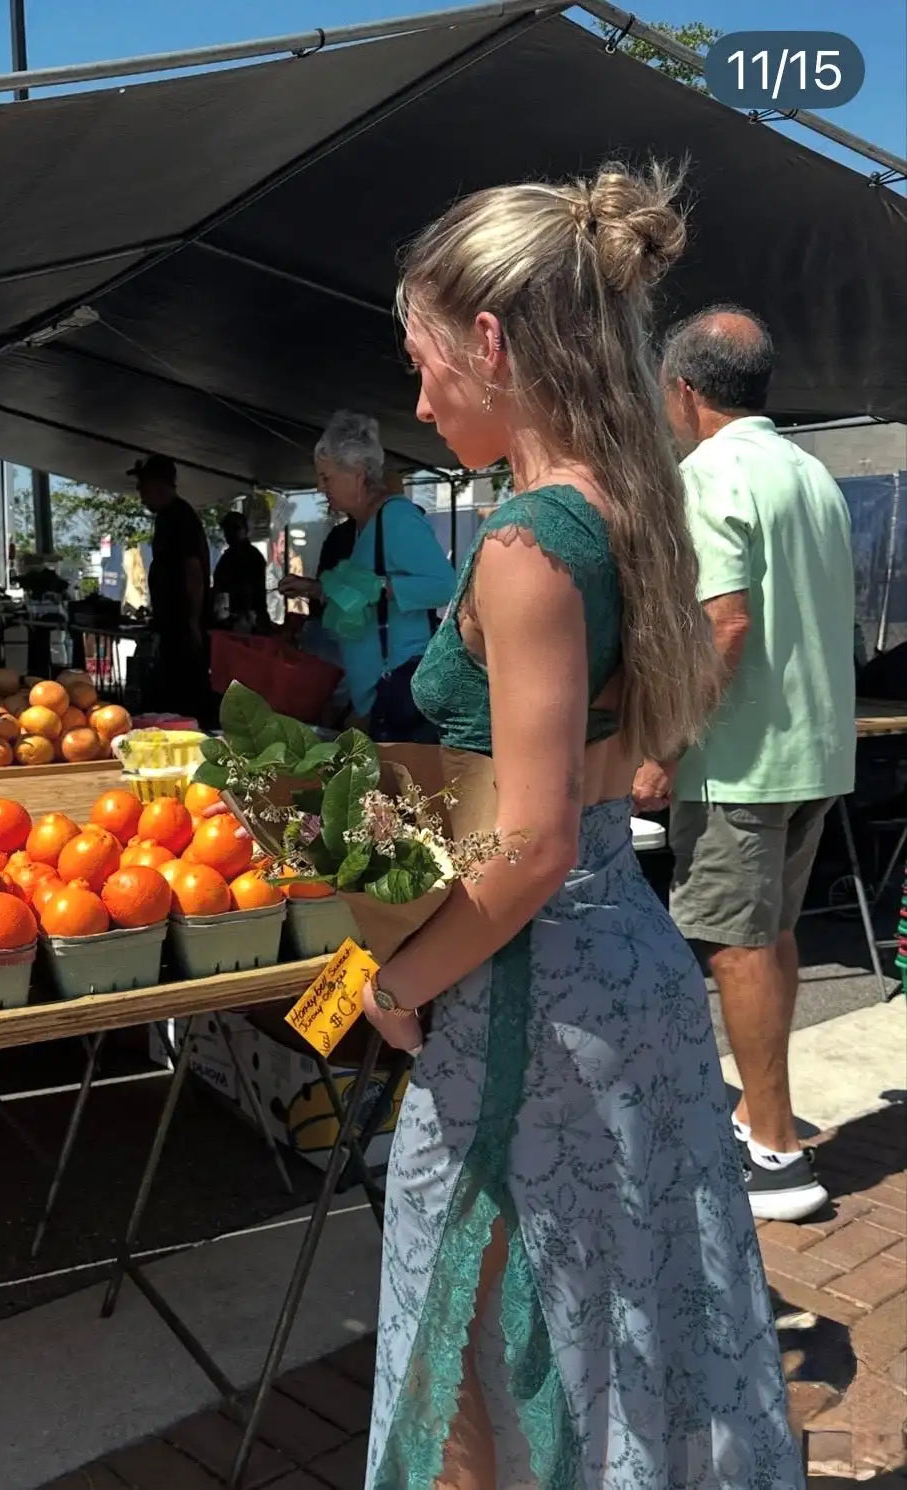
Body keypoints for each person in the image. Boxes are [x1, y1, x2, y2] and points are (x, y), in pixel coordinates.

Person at [358, 165, 801, 1489]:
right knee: (622, 1329)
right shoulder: (636, 501)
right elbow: (622, 761)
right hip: (620, 975)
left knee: (475, 1339)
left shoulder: (524, 544)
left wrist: (395, 973)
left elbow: (535, 838)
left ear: (489, 344)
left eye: (425, 361)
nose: (419, 397)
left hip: (526, 998)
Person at [634, 307, 856, 1223]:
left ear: (685, 391)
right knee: (768, 934)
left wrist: (662, 747)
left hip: (740, 759)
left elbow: (724, 622)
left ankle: (774, 1152)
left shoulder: (707, 476)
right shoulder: (814, 476)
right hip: (814, 747)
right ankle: (765, 1122)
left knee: (737, 945)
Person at [281, 412, 454, 742]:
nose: (320, 487)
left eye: (326, 478)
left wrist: (384, 588)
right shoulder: (364, 525)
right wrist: (315, 589)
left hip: (400, 691)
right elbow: (360, 597)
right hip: (377, 697)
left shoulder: (397, 518)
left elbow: (445, 585)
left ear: (358, 475)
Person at [131, 454, 212, 721]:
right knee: (173, 691)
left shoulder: (179, 516)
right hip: (173, 622)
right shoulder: (168, 517)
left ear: (157, 485)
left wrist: (192, 620)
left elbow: (193, 571)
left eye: (142, 489)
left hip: (183, 624)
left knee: (184, 694)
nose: (141, 497)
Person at [211, 510, 270, 632]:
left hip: (244, 620)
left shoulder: (249, 556)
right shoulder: (230, 555)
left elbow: (248, 590)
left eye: (234, 528)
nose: (229, 533)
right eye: (227, 529)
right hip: (234, 618)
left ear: (245, 530)